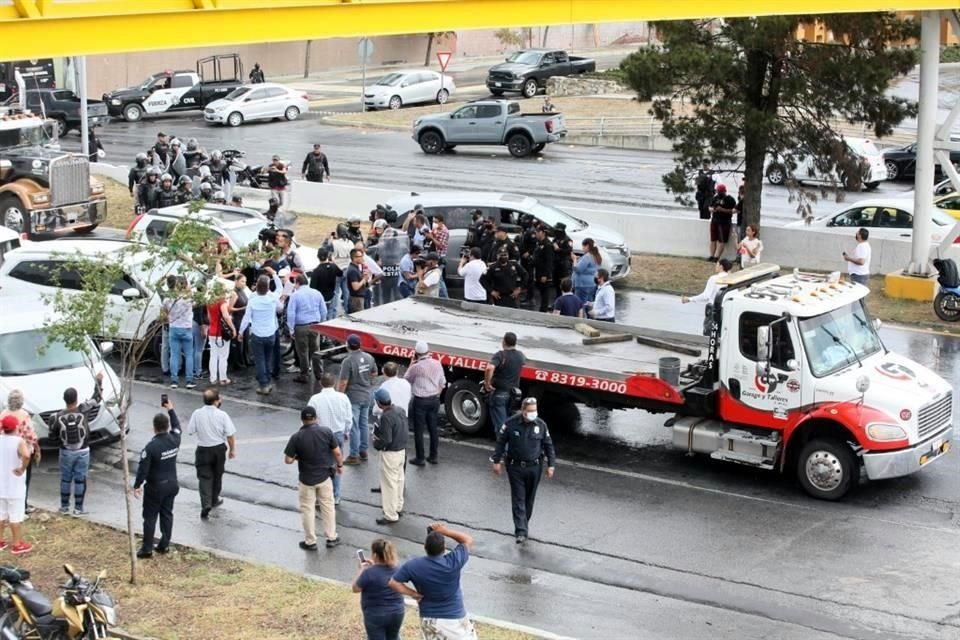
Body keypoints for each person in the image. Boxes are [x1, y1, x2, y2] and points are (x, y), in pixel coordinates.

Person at [389, 522, 477, 640]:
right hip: (452, 619)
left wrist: (414, 594)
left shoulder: (413, 565)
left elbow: (393, 583)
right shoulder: (452, 562)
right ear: (444, 547)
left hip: (428, 618)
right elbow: (468, 540)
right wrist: (445, 531)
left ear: (425, 547)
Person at [491, 397, 557, 544]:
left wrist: (551, 465)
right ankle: (521, 531)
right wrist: (497, 461)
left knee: (529, 499)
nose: (533, 413)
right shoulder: (510, 423)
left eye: (535, 410)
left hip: (534, 467)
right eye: (530, 411)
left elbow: (548, 445)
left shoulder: (541, 425)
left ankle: (524, 522)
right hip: (515, 467)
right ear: (523, 410)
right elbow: (501, 441)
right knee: (518, 498)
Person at [283, 406, 342, 551]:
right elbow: (337, 452)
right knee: (327, 507)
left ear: (302, 419)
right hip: (324, 476)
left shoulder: (296, 437)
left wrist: (299, 457)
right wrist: (339, 465)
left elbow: (288, 460)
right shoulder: (326, 432)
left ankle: (310, 541)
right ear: (316, 418)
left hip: (306, 479)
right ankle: (331, 537)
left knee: (307, 510)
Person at [133, 398, 182, 558]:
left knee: (150, 517)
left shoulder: (151, 447)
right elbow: (178, 427)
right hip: (172, 484)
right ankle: (164, 545)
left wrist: (137, 485)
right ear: (166, 427)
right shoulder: (174, 439)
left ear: (154, 428)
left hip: (156, 487)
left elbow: (143, 469)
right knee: (167, 514)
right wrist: (171, 410)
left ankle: (147, 548)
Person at [53, 374, 102, 516]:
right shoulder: (83, 409)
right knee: (80, 480)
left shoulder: (58, 416)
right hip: (83, 451)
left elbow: (53, 435)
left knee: (65, 478)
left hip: (65, 452)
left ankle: (64, 507)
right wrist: (99, 381)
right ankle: (78, 508)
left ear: (64, 399)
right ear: (76, 398)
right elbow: (97, 398)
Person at [187, 389, 237, 520]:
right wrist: (232, 450)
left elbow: (190, 430)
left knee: (204, 477)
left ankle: (206, 503)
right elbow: (230, 435)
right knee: (218, 474)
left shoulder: (197, 413)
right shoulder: (222, 415)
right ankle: (214, 499)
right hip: (219, 449)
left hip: (203, 449)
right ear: (216, 401)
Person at [308, 373, 353, 505]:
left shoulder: (315, 399)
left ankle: (320, 497)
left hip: (320, 435)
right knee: (337, 465)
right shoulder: (343, 397)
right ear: (334, 383)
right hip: (337, 434)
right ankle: (335, 496)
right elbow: (348, 417)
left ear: (321, 383)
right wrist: (346, 431)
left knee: (319, 466)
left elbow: (309, 419)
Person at [238, 270, 283, 395]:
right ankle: (267, 380)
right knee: (268, 358)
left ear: (257, 286)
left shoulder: (252, 300)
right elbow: (280, 289)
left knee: (260, 360)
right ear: (268, 287)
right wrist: (274, 274)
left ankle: (263, 384)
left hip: (257, 334)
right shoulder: (272, 298)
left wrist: (240, 332)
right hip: (271, 333)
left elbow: (246, 319)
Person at [353, 539, 406, 640]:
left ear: (375, 555)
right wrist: (375, 565)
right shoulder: (398, 569)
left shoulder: (369, 573)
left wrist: (361, 570)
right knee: (394, 637)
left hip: (376, 614)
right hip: (397, 612)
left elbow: (355, 588)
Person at [405, 341, 446, 466]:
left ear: (416, 353)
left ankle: (420, 457)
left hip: (420, 400)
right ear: (428, 351)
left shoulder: (416, 367)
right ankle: (433, 456)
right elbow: (442, 382)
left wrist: (411, 364)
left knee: (419, 429)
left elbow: (407, 379)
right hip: (434, 399)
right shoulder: (437, 363)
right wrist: (437, 393)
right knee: (433, 428)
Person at [338, 334, 377, 465]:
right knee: (364, 424)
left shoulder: (348, 361)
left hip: (353, 397)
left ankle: (353, 455)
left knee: (354, 426)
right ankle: (363, 451)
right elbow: (374, 373)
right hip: (366, 395)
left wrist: (339, 396)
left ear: (348, 345)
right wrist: (368, 382)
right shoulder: (369, 357)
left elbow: (343, 382)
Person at [372, 388, 407, 525]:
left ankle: (390, 514)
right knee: (399, 480)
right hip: (401, 450)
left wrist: (376, 443)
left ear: (379, 403)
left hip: (390, 453)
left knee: (389, 484)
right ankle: (398, 507)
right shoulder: (400, 410)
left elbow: (386, 439)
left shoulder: (386, 417)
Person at [0, 391, 39, 514]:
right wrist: (37, 450)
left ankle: (5, 504)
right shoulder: (24, 415)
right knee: (24, 479)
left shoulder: (3, 414)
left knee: (6, 477)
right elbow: (31, 436)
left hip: (5, 450)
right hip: (22, 451)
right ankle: (23, 506)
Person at [0, 415, 32, 555]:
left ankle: (0, 541)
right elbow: (26, 456)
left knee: (1, 514)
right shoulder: (19, 441)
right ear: (16, 427)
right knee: (15, 516)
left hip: (1, 484)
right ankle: (17, 544)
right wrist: (22, 468)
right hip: (14, 486)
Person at [287, 273, 327, 383]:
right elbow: (324, 310)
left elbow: (291, 313)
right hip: (315, 325)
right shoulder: (317, 293)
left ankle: (304, 374)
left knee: (303, 352)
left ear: (298, 283)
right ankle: (319, 373)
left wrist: (291, 328)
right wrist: (322, 323)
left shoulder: (295, 295)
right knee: (316, 350)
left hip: (301, 326)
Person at [484, 332, 525, 437]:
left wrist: (487, 383)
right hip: (513, 395)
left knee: (501, 426)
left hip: (500, 394)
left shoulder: (501, 355)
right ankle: (512, 447)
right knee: (510, 422)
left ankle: (503, 451)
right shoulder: (520, 355)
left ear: (504, 341)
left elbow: (489, 368)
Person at [682, 258, 732, 336]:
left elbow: (706, 295)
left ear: (721, 266)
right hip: (727, 310)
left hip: (714, 309)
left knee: (710, 334)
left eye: (717, 265)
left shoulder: (714, 278)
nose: (716, 267)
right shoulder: (732, 279)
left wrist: (690, 299)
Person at [207, 287, 236, 386]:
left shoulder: (209, 302)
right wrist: (233, 328)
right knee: (223, 356)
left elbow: (209, 317)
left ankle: (213, 378)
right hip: (221, 333)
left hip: (211, 331)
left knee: (213, 355)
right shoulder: (222, 302)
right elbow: (226, 316)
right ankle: (223, 378)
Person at [310, 249, 343, 321]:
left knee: (322, 317)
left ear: (317, 257)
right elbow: (341, 273)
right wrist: (334, 262)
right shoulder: (333, 267)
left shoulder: (316, 271)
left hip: (321, 298)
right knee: (331, 314)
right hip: (331, 295)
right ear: (327, 256)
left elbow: (312, 288)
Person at [708, 183, 737, 262]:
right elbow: (710, 207)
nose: (719, 193)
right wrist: (713, 209)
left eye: (720, 192)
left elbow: (734, 210)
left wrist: (722, 210)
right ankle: (711, 255)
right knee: (713, 239)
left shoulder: (730, 199)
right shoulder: (715, 198)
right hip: (715, 220)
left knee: (722, 241)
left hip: (724, 222)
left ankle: (716, 257)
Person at [533, 227, 555, 312]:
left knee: (545, 292)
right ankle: (542, 308)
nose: (536, 234)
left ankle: (543, 309)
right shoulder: (539, 243)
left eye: (537, 232)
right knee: (541, 291)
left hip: (544, 273)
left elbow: (549, 261)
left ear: (542, 232)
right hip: (539, 271)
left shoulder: (547, 245)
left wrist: (546, 275)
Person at [346, 248, 373, 313]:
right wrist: (364, 279)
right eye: (360, 256)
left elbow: (363, 285)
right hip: (356, 300)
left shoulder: (357, 268)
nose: (362, 258)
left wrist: (366, 278)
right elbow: (355, 287)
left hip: (359, 298)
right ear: (354, 258)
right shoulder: (352, 270)